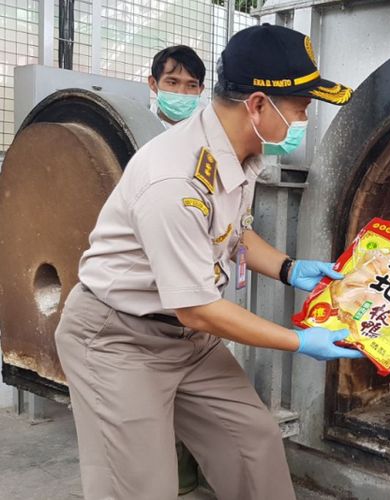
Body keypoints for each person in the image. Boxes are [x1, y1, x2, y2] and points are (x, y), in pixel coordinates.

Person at [54, 24, 358, 500]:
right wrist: (299, 341)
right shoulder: (174, 181)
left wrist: (289, 268)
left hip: (187, 335)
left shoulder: (238, 152)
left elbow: (231, 231)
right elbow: (197, 306)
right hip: (119, 338)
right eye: (302, 106)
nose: (305, 117)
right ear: (258, 104)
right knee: (141, 488)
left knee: (252, 447)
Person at [147, 44, 209, 495]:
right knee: (154, 405)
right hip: (147, 298)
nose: (182, 94)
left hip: (195, 291)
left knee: (191, 396)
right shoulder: (145, 144)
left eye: (191, 86)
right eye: (172, 83)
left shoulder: (203, 145)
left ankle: (189, 472)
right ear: (153, 85)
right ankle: (176, 481)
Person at [148, 45, 206, 128]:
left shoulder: (211, 130)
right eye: (172, 83)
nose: (181, 92)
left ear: (200, 89)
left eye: (192, 85)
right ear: (153, 83)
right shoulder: (138, 130)